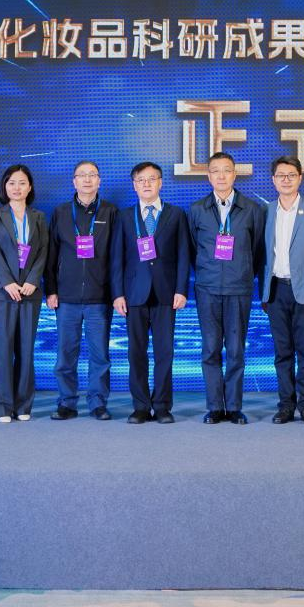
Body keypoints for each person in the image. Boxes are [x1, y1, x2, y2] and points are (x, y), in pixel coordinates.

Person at [187, 151, 265, 424]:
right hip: (207, 289)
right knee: (210, 349)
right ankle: (214, 407)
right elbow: (193, 249)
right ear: (208, 176)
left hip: (238, 289)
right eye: (215, 171)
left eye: (227, 170)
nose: (221, 176)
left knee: (235, 350)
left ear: (235, 174)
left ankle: (233, 407)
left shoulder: (251, 209)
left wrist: (243, 273)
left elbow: (257, 250)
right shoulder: (197, 209)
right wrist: (207, 273)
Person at [109, 161, 190, 424]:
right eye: (141, 180)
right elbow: (117, 258)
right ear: (134, 185)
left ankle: (163, 406)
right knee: (136, 353)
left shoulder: (176, 214)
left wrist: (181, 290)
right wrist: (118, 294)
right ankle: (141, 406)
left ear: (160, 183)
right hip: (134, 294)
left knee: (165, 354)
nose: (146, 184)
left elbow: (183, 256)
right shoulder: (124, 216)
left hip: (166, 294)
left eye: (152, 179)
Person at [46, 160, 119, 421]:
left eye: (92, 175)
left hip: (100, 298)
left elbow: (117, 257)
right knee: (65, 354)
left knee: (100, 355)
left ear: (99, 180)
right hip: (66, 297)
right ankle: (66, 402)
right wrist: (51, 290)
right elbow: (51, 254)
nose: (87, 180)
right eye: (82, 175)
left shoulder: (111, 211)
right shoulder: (61, 212)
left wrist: (115, 293)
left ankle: (98, 403)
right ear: (74, 181)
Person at [260, 156, 304, 425]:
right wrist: (264, 293)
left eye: (291, 175)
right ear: (273, 180)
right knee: (282, 352)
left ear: (300, 178)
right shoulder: (267, 211)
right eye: (281, 175)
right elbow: (261, 255)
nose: (286, 180)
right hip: (276, 290)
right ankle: (286, 405)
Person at [0, 164, 49, 423]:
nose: (17, 187)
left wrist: (33, 280)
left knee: (26, 349)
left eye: (22, 183)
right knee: (1, 350)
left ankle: (23, 404)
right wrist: (7, 281)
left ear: (30, 187)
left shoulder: (39, 217)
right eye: (12, 183)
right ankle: (1, 406)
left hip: (30, 292)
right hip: (3, 292)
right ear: (5, 187)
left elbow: (43, 251)